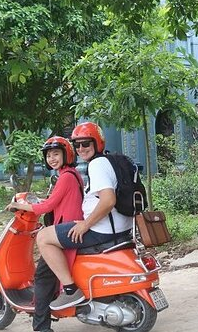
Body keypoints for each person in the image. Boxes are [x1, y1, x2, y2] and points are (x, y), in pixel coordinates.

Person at [36, 121, 132, 311]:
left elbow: (108, 200)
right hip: (121, 227)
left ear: (97, 143)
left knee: (43, 237)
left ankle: (71, 290)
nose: (81, 149)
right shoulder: (110, 160)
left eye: (86, 144)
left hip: (102, 230)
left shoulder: (96, 165)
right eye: (77, 145)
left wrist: (85, 225)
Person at [8, 136, 84, 332]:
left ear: (67, 155)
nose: (52, 158)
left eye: (56, 154)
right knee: (44, 273)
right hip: (65, 229)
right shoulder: (70, 175)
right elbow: (53, 203)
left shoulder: (67, 177)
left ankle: (41, 326)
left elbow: (46, 206)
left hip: (64, 233)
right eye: (49, 155)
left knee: (41, 275)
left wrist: (18, 205)